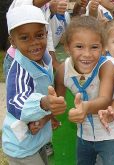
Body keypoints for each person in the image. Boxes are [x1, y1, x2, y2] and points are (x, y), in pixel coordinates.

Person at [54, 16, 114, 165]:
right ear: (67, 48)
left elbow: (105, 99)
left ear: (102, 48)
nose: (87, 54)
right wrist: (52, 112)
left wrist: (86, 107)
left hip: (112, 132)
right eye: (79, 46)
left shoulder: (105, 67)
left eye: (94, 47)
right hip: (84, 134)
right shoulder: (63, 70)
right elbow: (58, 101)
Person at [2, 5, 66, 164]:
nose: (34, 43)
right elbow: (18, 104)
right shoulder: (19, 71)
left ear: (46, 33)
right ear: (13, 41)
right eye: (24, 38)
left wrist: (47, 118)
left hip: (35, 139)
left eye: (39, 35)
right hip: (20, 145)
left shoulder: (44, 59)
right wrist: (44, 103)